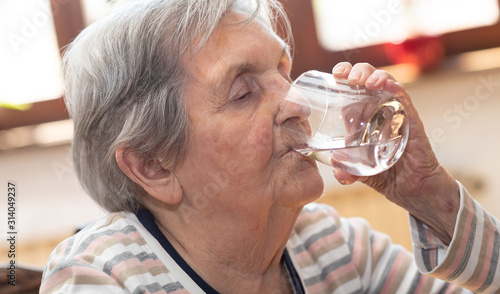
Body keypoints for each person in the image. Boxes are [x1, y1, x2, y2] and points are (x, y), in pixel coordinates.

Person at [40, 0, 500, 293]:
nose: (296, 101)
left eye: (283, 70)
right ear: (154, 165)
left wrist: (429, 195)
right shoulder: (98, 276)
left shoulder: (330, 244)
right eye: (243, 92)